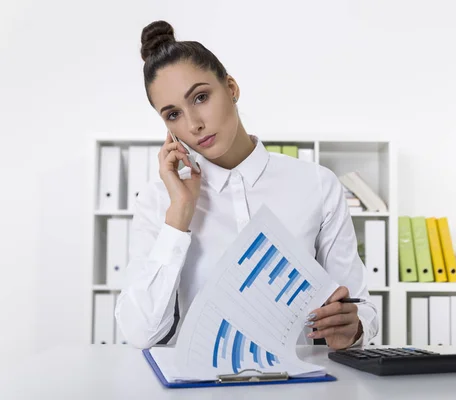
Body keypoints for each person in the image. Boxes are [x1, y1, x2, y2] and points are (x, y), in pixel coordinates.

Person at [114, 20, 378, 351]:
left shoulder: (317, 184)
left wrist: (352, 328)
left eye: (200, 97)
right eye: (173, 115)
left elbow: (359, 307)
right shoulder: (158, 202)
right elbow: (140, 333)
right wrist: (179, 216)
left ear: (231, 88)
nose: (194, 124)